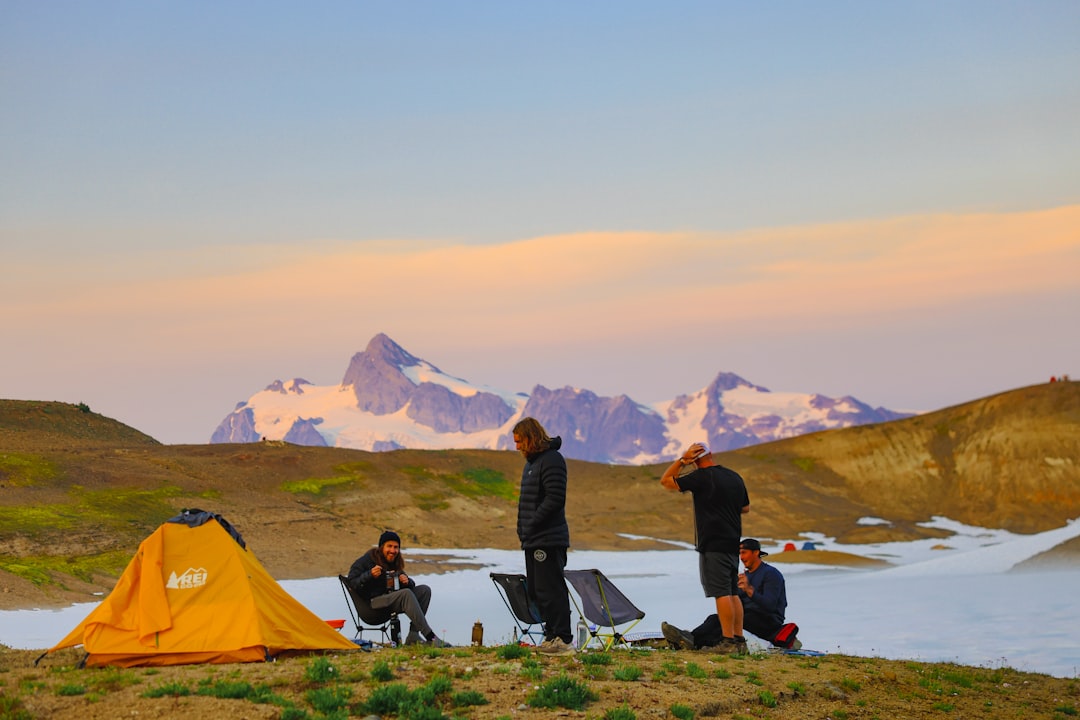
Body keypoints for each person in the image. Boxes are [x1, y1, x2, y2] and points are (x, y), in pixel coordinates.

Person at [659, 442, 750, 654]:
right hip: (732, 541)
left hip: (713, 543)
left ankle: (727, 642)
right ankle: (739, 641)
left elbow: (666, 481)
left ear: (695, 460)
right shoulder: (734, 477)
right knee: (732, 591)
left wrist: (682, 461)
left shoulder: (701, 477)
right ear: (713, 454)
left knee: (721, 592)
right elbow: (745, 508)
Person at [662, 538, 800, 651]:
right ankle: (688, 638)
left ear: (756, 553)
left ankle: (695, 642)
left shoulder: (771, 574)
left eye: (744, 553)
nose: (741, 557)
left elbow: (770, 606)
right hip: (747, 616)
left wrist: (749, 589)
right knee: (715, 619)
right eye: (740, 553)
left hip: (768, 621)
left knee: (729, 625)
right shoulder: (744, 576)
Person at [513, 417, 574, 656]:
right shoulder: (532, 463)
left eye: (519, 441)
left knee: (551, 588)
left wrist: (532, 522)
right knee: (538, 590)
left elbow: (555, 498)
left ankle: (563, 639)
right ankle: (551, 635)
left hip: (548, 538)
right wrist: (524, 529)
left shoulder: (552, 460)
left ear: (530, 437)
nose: (517, 447)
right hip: (533, 538)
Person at [346, 530, 450, 647]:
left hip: (389, 602)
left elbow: (411, 586)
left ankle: (413, 636)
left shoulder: (394, 561)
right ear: (381, 547)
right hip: (371, 606)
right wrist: (369, 575)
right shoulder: (367, 560)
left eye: (396, 547)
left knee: (424, 591)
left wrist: (406, 581)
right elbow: (352, 582)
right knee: (405, 594)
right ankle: (431, 637)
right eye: (389, 546)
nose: (393, 550)